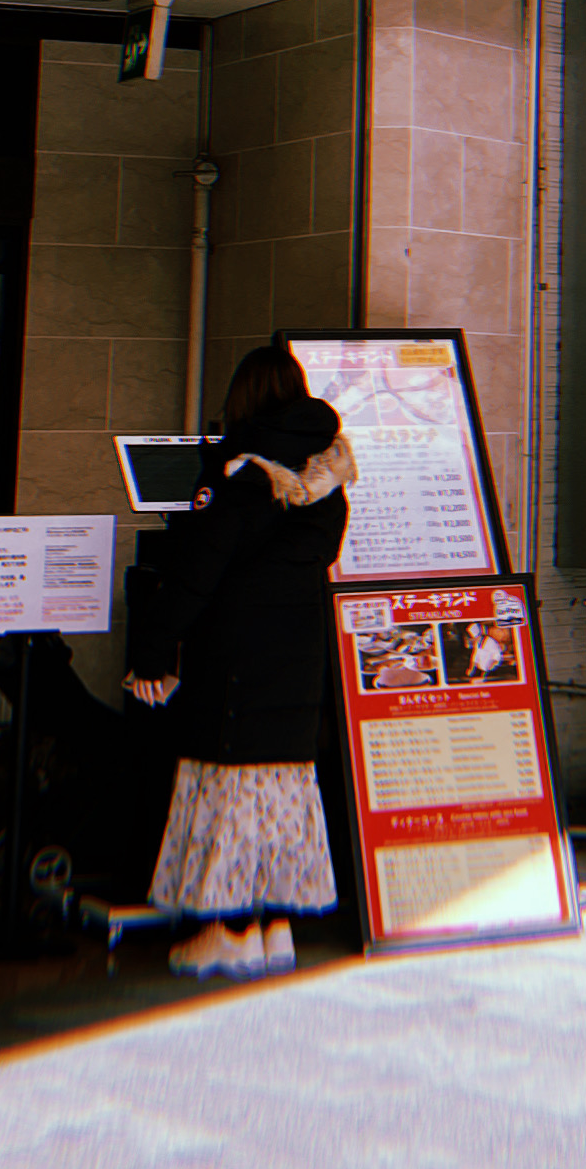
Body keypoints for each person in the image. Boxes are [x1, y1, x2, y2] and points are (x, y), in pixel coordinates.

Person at [122, 344, 358, 981]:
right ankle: (274, 928)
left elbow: (198, 571)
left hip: (236, 655)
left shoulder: (241, 472)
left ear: (245, 397)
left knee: (229, 788)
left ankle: (228, 933)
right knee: (280, 789)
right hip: (298, 652)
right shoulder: (328, 471)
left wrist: (152, 650)